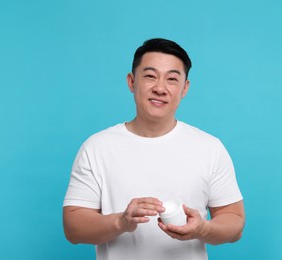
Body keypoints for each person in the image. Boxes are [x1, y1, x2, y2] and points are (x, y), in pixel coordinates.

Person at [63, 38, 245, 260]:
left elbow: (234, 223)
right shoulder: (97, 147)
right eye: (150, 76)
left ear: (184, 88)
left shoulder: (210, 148)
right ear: (132, 82)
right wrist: (121, 222)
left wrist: (201, 229)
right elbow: (73, 228)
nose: (160, 88)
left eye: (172, 79)